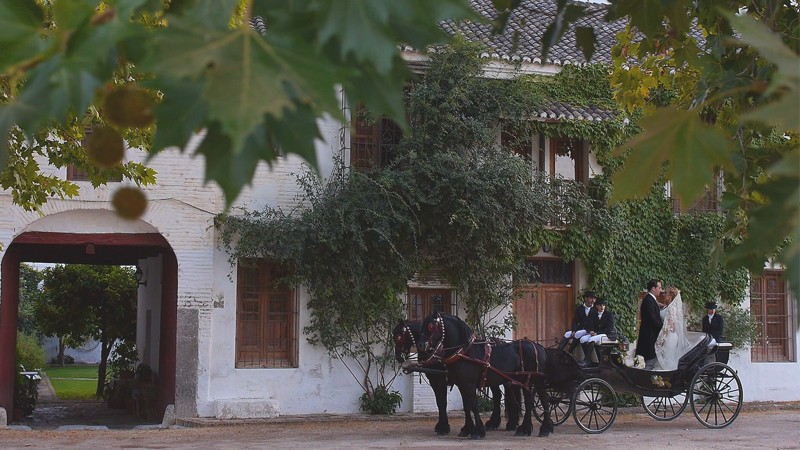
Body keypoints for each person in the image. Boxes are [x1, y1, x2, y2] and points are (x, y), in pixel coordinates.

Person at [654, 286, 691, 370]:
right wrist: (656, 302)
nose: (663, 294)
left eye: (666, 293)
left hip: (669, 337)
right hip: (669, 334)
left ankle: (669, 377)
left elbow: (669, 325)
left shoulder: (672, 308)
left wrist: (662, 339)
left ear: (670, 296)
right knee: (665, 358)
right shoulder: (668, 306)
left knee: (668, 358)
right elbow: (665, 309)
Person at [558, 290, 598, 358]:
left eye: (594, 299)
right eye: (591, 298)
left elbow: (597, 323)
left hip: (590, 330)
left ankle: (569, 352)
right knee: (567, 334)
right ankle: (558, 352)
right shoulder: (579, 309)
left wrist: (592, 331)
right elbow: (575, 321)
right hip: (580, 329)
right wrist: (574, 330)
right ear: (586, 298)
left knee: (578, 334)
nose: (593, 300)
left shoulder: (596, 310)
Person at [636, 279, 664, 370]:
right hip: (649, 335)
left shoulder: (651, 300)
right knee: (649, 360)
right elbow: (652, 320)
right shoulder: (648, 300)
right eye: (659, 288)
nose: (661, 290)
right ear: (653, 288)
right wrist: (664, 327)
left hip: (651, 334)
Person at [580, 297, 617, 365]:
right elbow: (591, 325)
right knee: (582, 339)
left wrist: (597, 333)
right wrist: (591, 331)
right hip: (597, 334)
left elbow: (610, 328)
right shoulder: (594, 314)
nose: (602, 307)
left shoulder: (609, 314)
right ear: (596, 306)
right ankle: (589, 360)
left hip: (608, 334)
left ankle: (586, 360)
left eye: (603, 305)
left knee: (592, 339)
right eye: (600, 305)